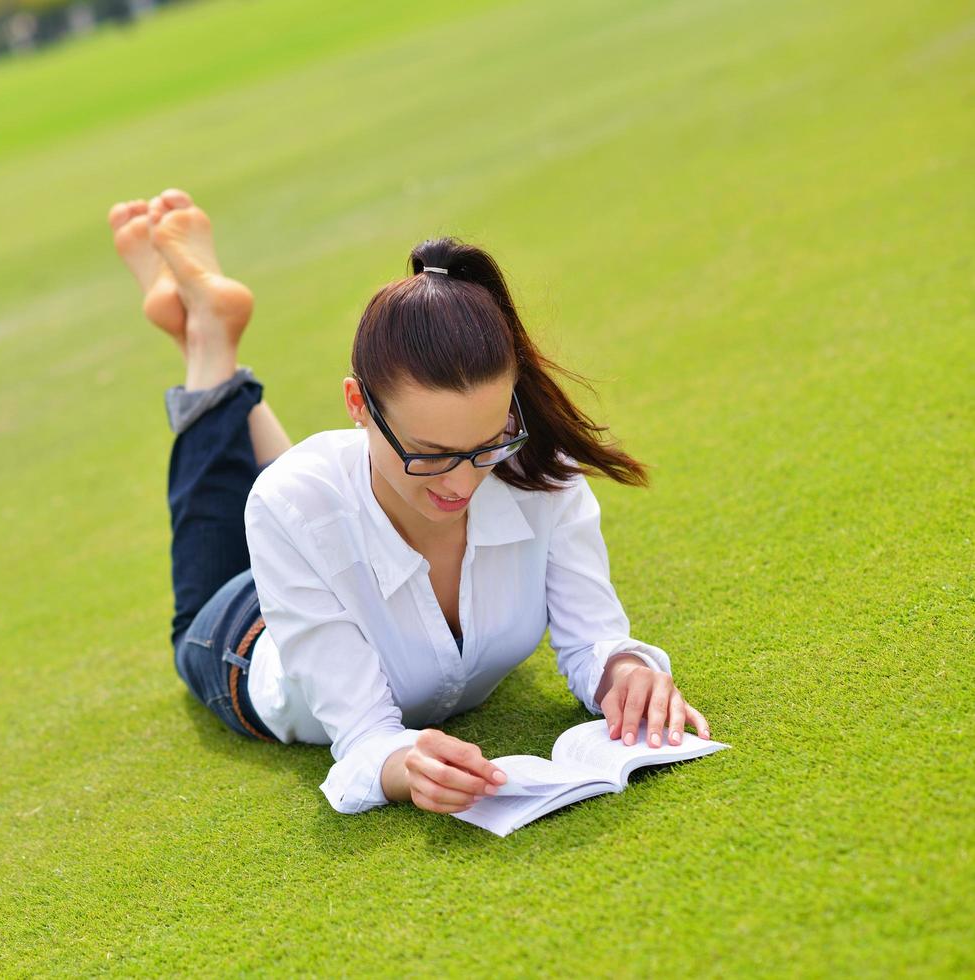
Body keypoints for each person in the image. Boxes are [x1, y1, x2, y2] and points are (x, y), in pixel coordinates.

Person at [109, 188, 712, 817]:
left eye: (486, 446)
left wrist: (626, 672)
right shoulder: (291, 503)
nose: (462, 483)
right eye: (431, 454)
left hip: (319, 534)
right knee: (265, 531)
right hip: (245, 637)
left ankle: (208, 331)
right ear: (357, 406)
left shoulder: (537, 471)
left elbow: (595, 640)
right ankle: (209, 344)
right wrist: (404, 769)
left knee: (313, 502)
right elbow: (365, 737)